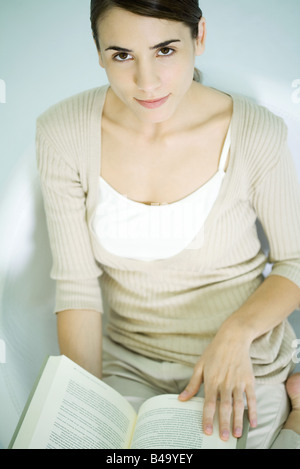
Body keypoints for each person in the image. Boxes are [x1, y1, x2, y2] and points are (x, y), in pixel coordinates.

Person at [36, 0, 300, 449]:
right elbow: (77, 287)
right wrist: (86, 407)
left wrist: (234, 335)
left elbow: (294, 262)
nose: (147, 81)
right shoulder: (62, 131)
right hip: (129, 365)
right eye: (122, 55)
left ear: (198, 37)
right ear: (99, 53)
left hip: (240, 363)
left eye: (165, 50)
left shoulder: (255, 130)